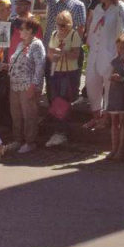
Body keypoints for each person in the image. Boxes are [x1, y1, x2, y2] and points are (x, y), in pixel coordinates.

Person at [84, 0, 124, 127]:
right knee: (91, 84)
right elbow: (92, 26)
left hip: (111, 53)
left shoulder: (120, 7)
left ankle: (106, 119)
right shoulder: (98, 8)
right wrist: (88, 40)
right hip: (94, 53)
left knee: (110, 88)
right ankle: (96, 116)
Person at [5, 18, 45, 153]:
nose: (19, 31)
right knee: (16, 114)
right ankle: (17, 140)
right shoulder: (21, 44)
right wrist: (7, 66)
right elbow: (18, 62)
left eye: (22, 28)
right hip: (15, 84)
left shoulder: (37, 45)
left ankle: (30, 142)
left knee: (29, 115)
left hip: (27, 86)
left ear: (30, 31)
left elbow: (40, 67)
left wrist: (33, 86)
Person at [45, 10, 83, 148]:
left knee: (64, 100)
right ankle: (58, 131)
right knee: (55, 100)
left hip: (69, 72)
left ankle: (62, 132)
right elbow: (49, 52)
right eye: (58, 24)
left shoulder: (74, 35)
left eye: (63, 25)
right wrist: (53, 55)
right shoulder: (54, 34)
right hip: (56, 70)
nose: (60, 28)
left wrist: (63, 53)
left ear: (69, 24)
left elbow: (76, 55)